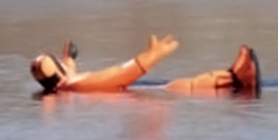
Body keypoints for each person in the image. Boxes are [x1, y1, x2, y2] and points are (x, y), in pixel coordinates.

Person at [30, 34, 260, 98]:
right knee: (182, 86)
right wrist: (150, 57)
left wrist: (69, 58)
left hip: (130, 90)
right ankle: (236, 79)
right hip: (131, 90)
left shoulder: (65, 84)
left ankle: (233, 77)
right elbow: (120, 76)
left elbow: (67, 72)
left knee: (177, 85)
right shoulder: (74, 86)